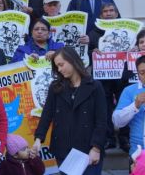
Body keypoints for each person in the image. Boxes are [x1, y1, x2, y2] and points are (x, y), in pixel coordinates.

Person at [33, 46, 107, 175]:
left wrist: (96, 148)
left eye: (61, 65)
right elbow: (47, 114)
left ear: (72, 60)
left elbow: (101, 120)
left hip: (88, 150)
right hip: (63, 150)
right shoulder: (55, 87)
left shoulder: (95, 86)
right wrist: (39, 138)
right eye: (57, 67)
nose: (60, 69)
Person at [87, 3, 129, 150]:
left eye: (112, 11)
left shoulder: (128, 30)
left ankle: (125, 139)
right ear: (101, 15)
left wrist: (135, 49)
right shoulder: (93, 33)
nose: (109, 13)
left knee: (124, 106)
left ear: (117, 13)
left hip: (123, 76)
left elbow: (137, 49)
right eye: (105, 11)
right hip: (103, 78)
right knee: (104, 109)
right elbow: (86, 54)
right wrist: (93, 51)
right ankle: (109, 138)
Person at [113, 55, 145, 160]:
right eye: (142, 72)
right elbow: (117, 121)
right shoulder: (130, 91)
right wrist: (135, 105)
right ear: (138, 74)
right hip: (138, 153)